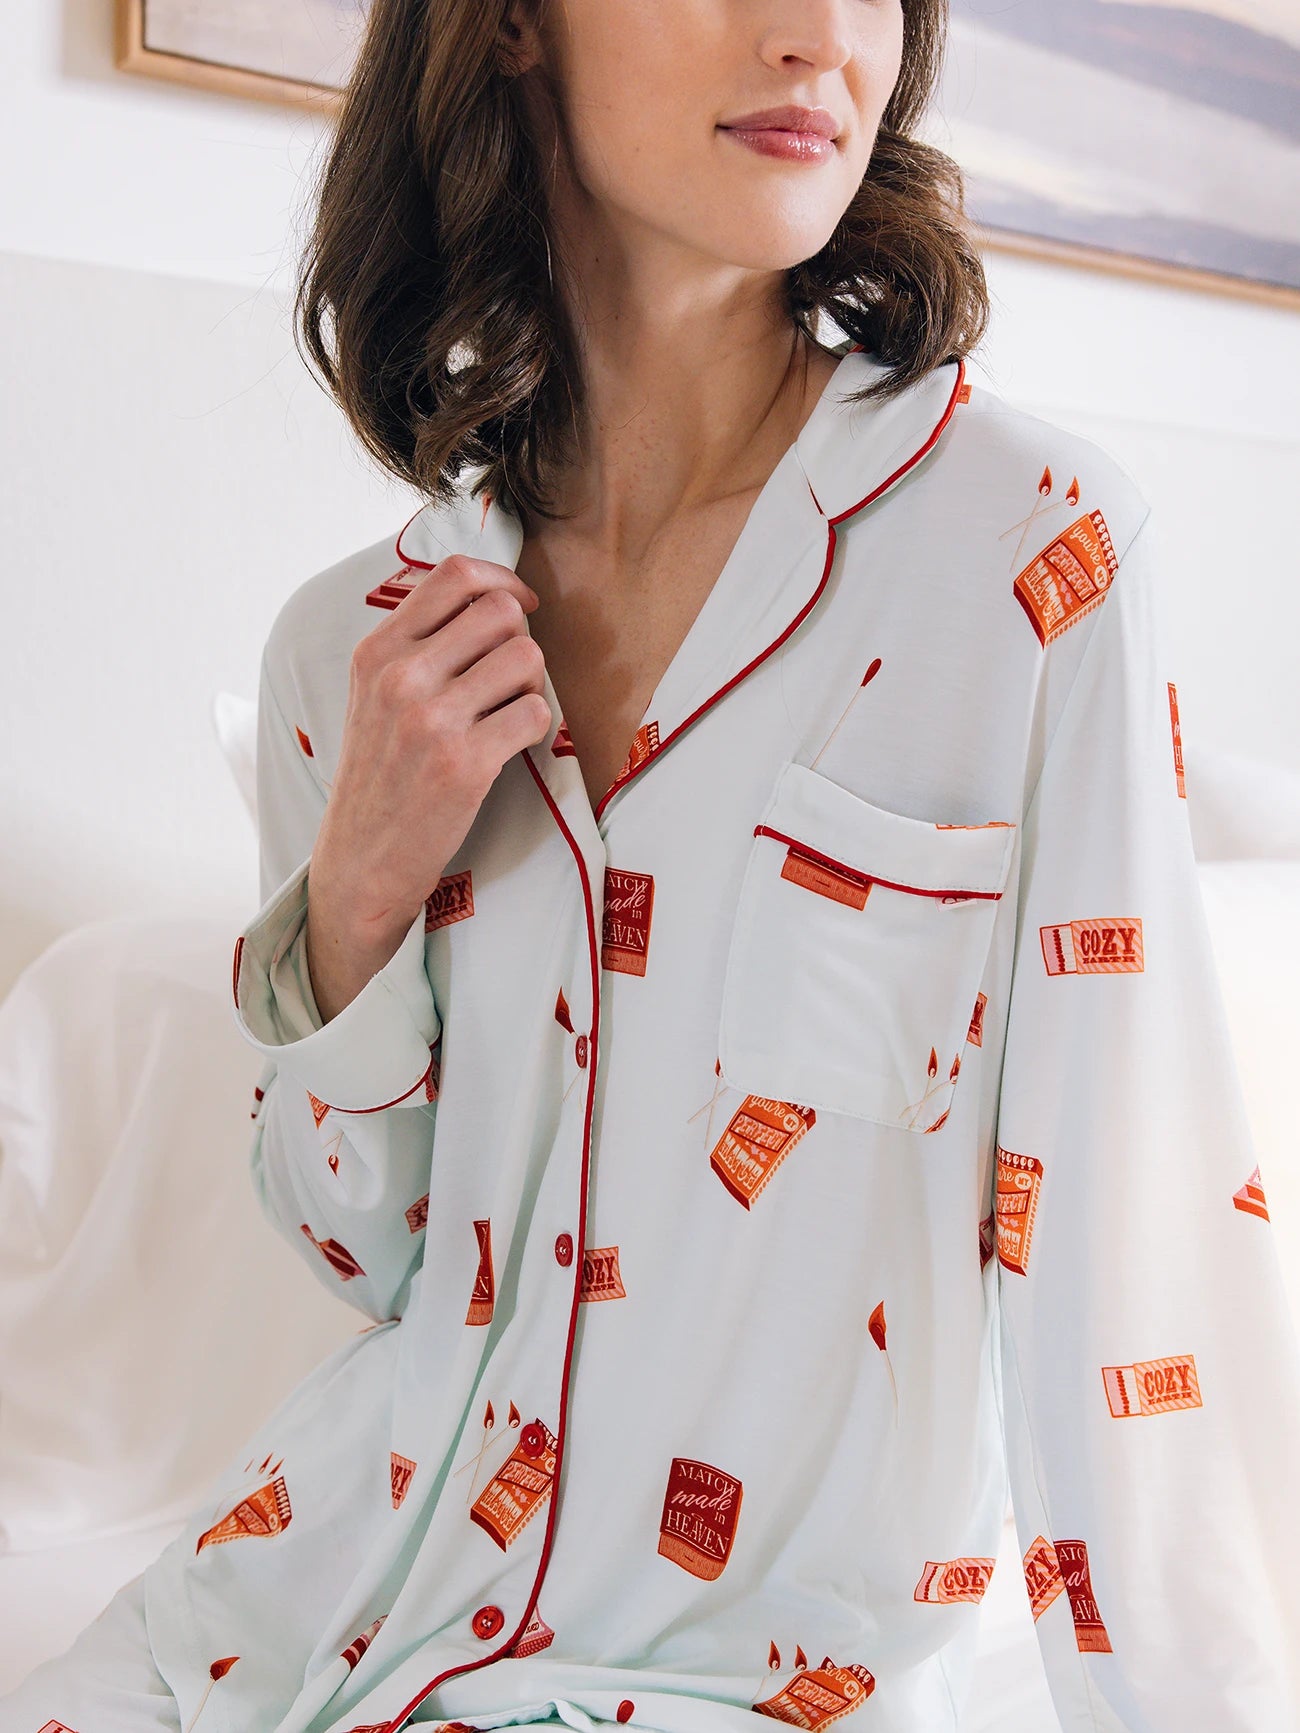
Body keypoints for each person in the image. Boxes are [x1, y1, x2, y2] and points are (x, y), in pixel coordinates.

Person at [6, 0, 1300, 1730]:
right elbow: (359, 1258)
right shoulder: (356, 650)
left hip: (733, 1685)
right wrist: (353, 906)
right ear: (515, 26)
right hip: (282, 1619)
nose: (817, 39)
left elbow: (1134, 1284)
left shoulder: (1029, 564)